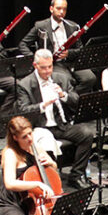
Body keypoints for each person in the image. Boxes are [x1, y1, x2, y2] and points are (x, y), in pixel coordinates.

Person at [15, 48, 93, 188]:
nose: (47, 71)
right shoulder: (25, 84)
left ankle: (76, 175)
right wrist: (43, 105)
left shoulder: (61, 78)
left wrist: (63, 95)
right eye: (43, 68)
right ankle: (50, 182)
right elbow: (23, 111)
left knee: (87, 134)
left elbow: (76, 100)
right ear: (35, 65)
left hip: (60, 125)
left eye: (50, 67)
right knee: (46, 144)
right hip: (40, 127)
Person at [18, 0, 96, 92]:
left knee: (90, 78)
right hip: (54, 63)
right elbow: (23, 44)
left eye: (64, 9)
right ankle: (69, 99)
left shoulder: (72, 26)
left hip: (71, 61)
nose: (61, 12)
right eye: (58, 8)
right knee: (66, 80)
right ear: (51, 9)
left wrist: (69, 53)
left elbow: (80, 49)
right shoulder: (41, 25)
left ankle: (73, 99)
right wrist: (37, 58)